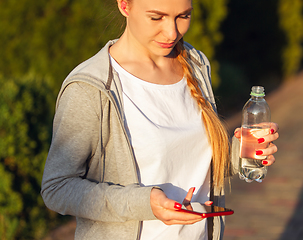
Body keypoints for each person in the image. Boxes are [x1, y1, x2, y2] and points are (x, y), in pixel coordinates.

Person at [41, 0, 279, 239]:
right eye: (156, 17)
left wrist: (243, 154)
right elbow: (57, 188)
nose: (172, 32)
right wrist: (145, 203)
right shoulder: (90, 88)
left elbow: (190, 162)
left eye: (183, 16)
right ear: (124, 5)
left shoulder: (195, 64)